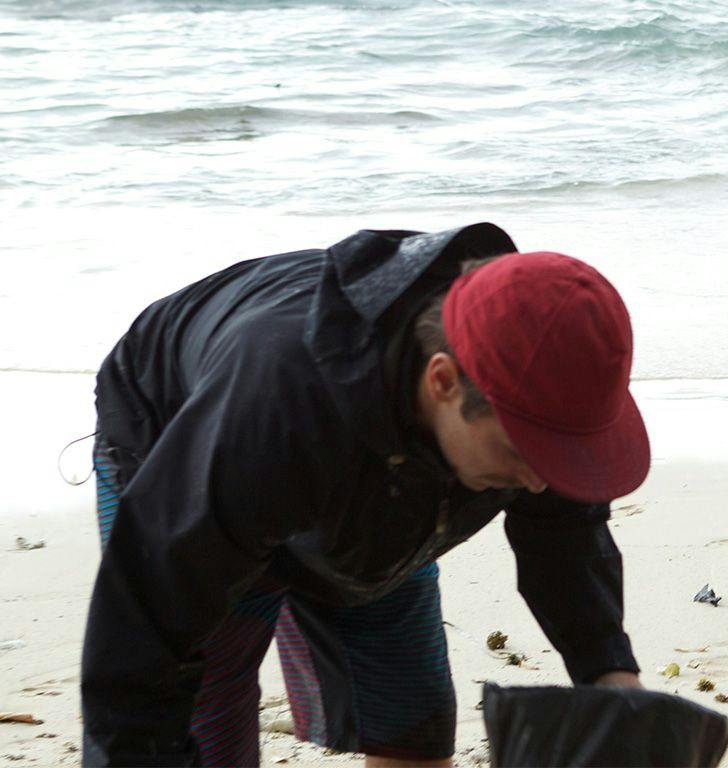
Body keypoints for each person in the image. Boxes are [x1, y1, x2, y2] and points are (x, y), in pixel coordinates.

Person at [82, 224, 649, 767]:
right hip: (183, 439)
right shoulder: (273, 413)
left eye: (560, 456)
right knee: (208, 722)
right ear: (443, 381)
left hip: (384, 477)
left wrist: (609, 673)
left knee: (414, 727)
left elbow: (564, 530)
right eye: (523, 453)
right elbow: (141, 645)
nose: (539, 482)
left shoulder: (537, 366)